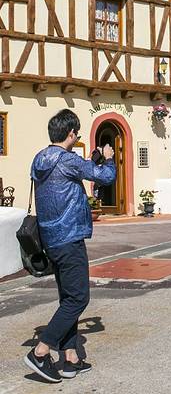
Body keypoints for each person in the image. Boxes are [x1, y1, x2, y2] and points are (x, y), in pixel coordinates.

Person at [25, 109, 116, 383]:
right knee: (79, 299)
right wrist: (108, 159)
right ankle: (41, 351)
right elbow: (104, 177)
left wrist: (91, 160)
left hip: (50, 239)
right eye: (76, 133)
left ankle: (70, 359)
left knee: (68, 298)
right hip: (69, 237)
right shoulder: (68, 160)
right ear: (71, 133)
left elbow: (74, 171)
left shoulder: (39, 159)